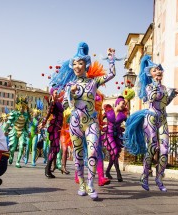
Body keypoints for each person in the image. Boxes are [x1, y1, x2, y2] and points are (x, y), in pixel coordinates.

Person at [61, 42, 116, 200]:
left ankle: (91, 184)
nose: (78, 66)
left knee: (92, 152)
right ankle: (82, 184)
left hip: (92, 122)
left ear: (86, 65)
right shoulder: (69, 85)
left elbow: (112, 74)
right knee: (78, 155)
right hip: (75, 123)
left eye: (81, 63)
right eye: (75, 63)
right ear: (73, 66)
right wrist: (70, 94)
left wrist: (111, 59)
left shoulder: (94, 82)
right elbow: (65, 105)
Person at [124, 55, 178, 192]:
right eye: (155, 70)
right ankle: (144, 176)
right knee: (152, 148)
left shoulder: (164, 87)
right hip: (151, 119)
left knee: (165, 150)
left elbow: (164, 103)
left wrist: (172, 94)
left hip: (163, 119)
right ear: (150, 74)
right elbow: (151, 98)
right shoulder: (149, 86)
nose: (159, 72)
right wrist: (155, 85)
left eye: (160, 70)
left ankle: (159, 178)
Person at [39, 87, 64, 178]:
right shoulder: (53, 103)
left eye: (58, 93)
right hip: (54, 128)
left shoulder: (58, 103)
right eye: (56, 93)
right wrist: (43, 122)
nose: (57, 94)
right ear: (52, 94)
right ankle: (47, 168)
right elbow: (48, 113)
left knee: (54, 149)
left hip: (58, 128)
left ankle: (48, 169)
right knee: (55, 148)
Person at [102, 96, 127, 182]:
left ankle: (108, 172)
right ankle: (118, 173)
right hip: (109, 135)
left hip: (117, 136)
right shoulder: (108, 112)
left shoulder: (123, 116)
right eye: (123, 103)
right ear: (117, 103)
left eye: (125, 104)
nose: (124, 105)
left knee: (114, 154)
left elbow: (130, 123)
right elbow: (99, 120)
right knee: (115, 152)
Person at [3, 97, 30, 168]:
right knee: (12, 148)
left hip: (22, 132)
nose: (21, 108)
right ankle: (11, 157)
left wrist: (28, 132)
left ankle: (17, 162)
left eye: (23, 107)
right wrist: (4, 130)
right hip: (14, 131)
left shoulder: (26, 115)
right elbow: (8, 123)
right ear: (18, 107)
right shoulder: (14, 113)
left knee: (21, 147)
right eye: (20, 107)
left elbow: (26, 126)